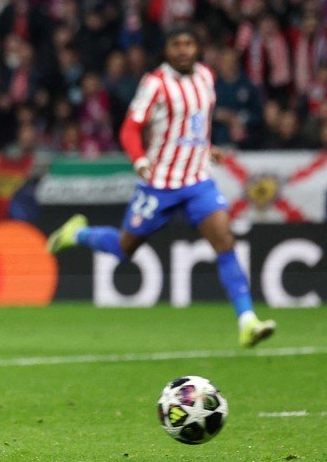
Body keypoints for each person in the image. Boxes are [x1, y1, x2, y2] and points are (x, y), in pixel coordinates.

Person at [47, 25, 276, 347]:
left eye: (189, 43)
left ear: (197, 48)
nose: (183, 50)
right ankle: (78, 234)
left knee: (224, 242)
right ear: (166, 50)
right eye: (176, 44)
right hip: (159, 183)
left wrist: (205, 148)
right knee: (124, 248)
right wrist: (140, 161)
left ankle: (247, 321)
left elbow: (195, 124)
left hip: (197, 181)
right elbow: (130, 129)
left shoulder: (206, 77)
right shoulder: (155, 84)